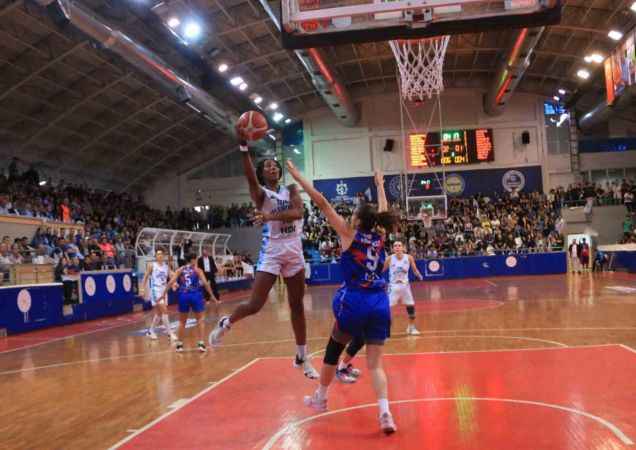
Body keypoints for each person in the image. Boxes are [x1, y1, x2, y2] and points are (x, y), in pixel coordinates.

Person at [286, 161, 398, 435]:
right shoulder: (380, 237)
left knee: (332, 352)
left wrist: (298, 177)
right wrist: (380, 185)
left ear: (357, 220)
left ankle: (321, 398)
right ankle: (385, 413)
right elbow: (383, 211)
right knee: (375, 364)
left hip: (356, 300)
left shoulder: (349, 234)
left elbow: (323, 203)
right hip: (380, 302)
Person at [209, 141, 318, 379]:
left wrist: (269, 216)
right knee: (255, 304)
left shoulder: (291, 189)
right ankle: (226, 323)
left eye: (275, 165)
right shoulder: (261, 194)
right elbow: (250, 177)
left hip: (294, 249)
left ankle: (302, 356)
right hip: (273, 251)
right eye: (267, 166)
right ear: (262, 173)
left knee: (297, 305)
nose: (272, 168)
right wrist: (243, 148)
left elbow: (298, 212)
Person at [163, 253, 217, 353]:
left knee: (182, 322)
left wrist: (163, 293)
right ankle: (201, 344)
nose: (196, 261)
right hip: (195, 295)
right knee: (200, 320)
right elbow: (206, 283)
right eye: (195, 259)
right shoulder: (197, 270)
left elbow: (170, 282)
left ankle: (179, 345)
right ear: (192, 260)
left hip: (183, 295)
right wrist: (212, 296)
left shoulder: (180, 269)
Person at [384, 241, 423, 335]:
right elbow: (381, 270)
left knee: (411, 307)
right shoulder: (389, 259)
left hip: (405, 286)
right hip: (393, 286)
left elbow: (415, 270)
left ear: (403, 248)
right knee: (385, 308)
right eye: (395, 246)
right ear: (393, 249)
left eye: (399, 245)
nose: (397, 247)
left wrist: (419, 275)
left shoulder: (409, 257)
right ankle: (385, 329)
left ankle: (411, 328)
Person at [140, 249, 177, 341]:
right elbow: (145, 277)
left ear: (163, 256)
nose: (159, 255)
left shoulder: (166, 267)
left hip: (164, 290)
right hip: (155, 290)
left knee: (159, 314)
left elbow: (171, 276)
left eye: (161, 254)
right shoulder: (152, 265)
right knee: (164, 311)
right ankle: (170, 333)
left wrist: (174, 284)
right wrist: (142, 289)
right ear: (156, 256)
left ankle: (151, 331)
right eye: (158, 254)